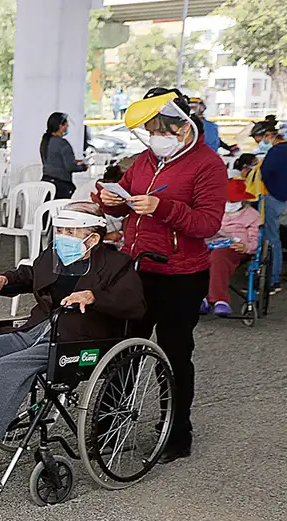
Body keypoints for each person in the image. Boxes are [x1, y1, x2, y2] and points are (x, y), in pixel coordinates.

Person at [0, 203, 146, 475]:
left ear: (92, 238)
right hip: (40, 328)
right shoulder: (54, 255)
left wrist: (94, 297)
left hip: (76, 339)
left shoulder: (116, 264)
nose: (62, 237)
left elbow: (135, 305)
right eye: (60, 230)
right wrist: (1, 280)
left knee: (4, 367)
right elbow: (30, 275)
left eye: (70, 232)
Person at [95, 88, 226, 463]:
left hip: (180, 275)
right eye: (149, 130)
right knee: (123, 349)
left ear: (182, 127)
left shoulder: (208, 165)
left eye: (159, 129)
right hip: (137, 269)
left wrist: (162, 207)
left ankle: (177, 432)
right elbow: (128, 203)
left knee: (174, 355)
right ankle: (110, 424)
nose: (154, 137)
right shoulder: (144, 160)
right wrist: (112, 201)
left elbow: (208, 223)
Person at [201, 156, 261, 317]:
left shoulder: (251, 215)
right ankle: (202, 297)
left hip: (236, 247)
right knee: (197, 256)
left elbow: (254, 240)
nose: (229, 203)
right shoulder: (215, 211)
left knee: (219, 256)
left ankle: (219, 299)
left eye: (233, 201)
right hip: (211, 243)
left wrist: (246, 247)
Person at [256, 117, 287, 294]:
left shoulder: (276, 152)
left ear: (269, 135)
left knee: (272, 239)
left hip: (275, 198)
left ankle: (272, 280)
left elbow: (264, 172)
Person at [40, 112, 87, 200]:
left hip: (46, 182)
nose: (68, 126)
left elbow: (53, 160)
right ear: (60, 126)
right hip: (61, 185)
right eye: (66, 124)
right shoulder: (63, 144)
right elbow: (70, 166)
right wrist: (83, 167)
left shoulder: (45, 142)